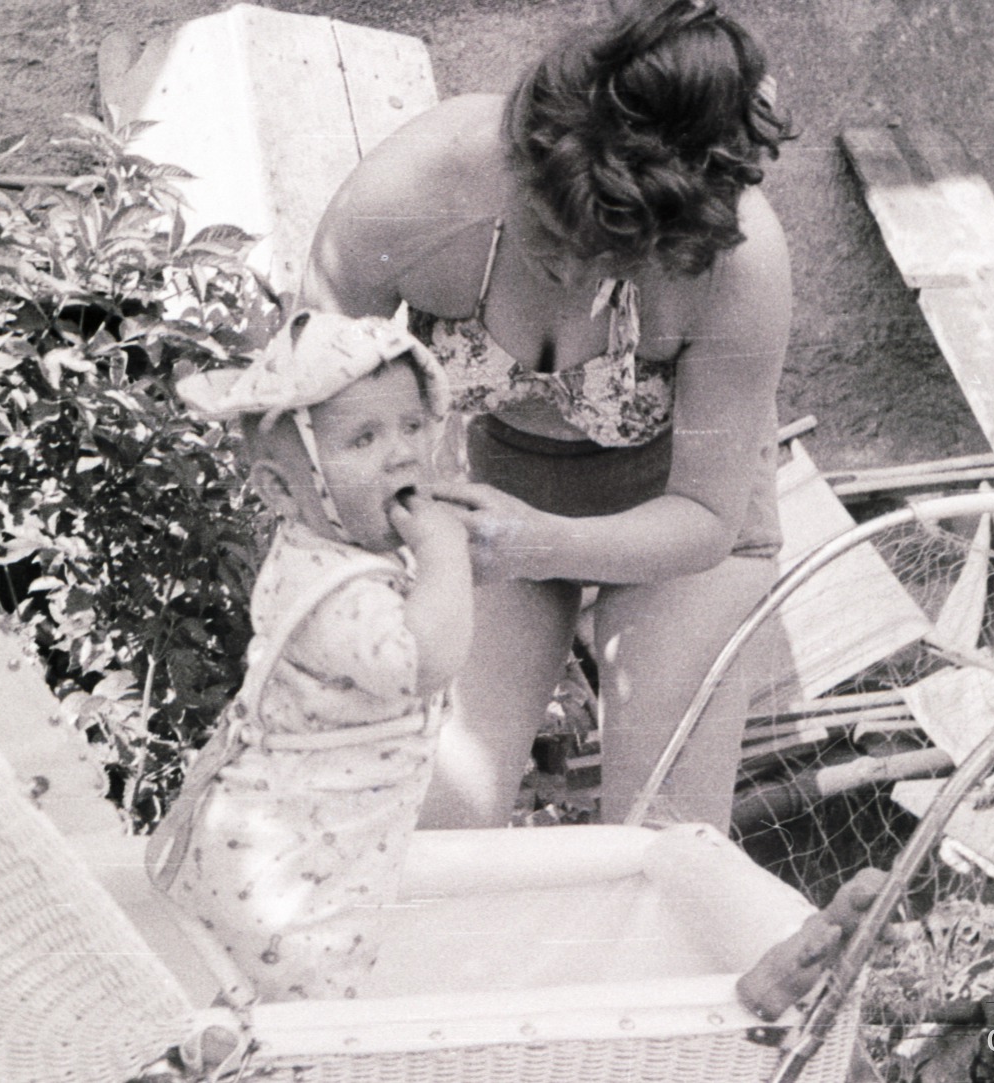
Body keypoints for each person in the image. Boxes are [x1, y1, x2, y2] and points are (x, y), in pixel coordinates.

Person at [302, 0, 794, 831]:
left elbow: (706, 516)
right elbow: (306, 379)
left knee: (661, 831)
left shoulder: (740, 267)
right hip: (494, 496)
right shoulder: (416, 187)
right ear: (527, 160)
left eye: (608, 256)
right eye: (547, 229)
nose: (566, 269)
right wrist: (371, 536)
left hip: (680, 527)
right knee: (435, 815)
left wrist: (544, 540)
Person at [146, 310, 473, 1001]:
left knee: (271, 1006)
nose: (402, 454)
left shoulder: (330, 553)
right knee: (314, 1015)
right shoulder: (336, 590)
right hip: (293, 874)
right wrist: (449, 558)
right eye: (363, 437)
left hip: (296, 848)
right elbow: (423, 661)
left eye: (412, 425)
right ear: (282, 491)